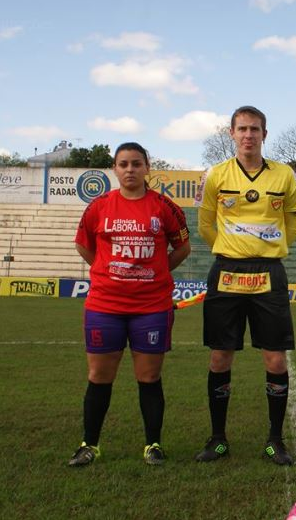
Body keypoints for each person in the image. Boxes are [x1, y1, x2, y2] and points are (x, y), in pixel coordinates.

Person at [69, 142, 191, 467]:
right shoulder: (99, 206)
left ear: (147, 167)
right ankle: (89, 445)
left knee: (149, 377)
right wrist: (105, 270)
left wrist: (157, 271)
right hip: (104, 305)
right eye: (123, 164)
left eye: (136, 163)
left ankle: (153, 444)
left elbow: (182, 247)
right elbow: (84, 245)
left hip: (151, 305)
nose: (130, 170)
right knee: (99, 376)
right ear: (115, 168)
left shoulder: (164, 207)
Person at [196, 106, 296, 466]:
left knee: (274, 358)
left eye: (254, 129)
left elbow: (293, 226)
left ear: (264, 134)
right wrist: (232, 250)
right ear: (231, 133)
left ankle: (275, 439)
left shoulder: (286, 176)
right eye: (241, 128)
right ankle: (217, 438)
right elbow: (207, 225)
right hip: (227, 271)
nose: (248, 135)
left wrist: (265, 251)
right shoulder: (216, 175)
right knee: (219, 356)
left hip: (268, 273)